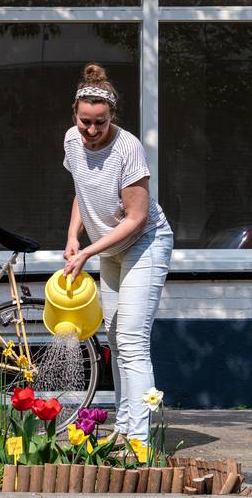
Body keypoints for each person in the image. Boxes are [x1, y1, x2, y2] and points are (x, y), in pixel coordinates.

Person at [61, 62, 173, 442]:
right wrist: (73, 237)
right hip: (108, 249)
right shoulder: (71, 141)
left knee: (132, 340)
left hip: (145, 243)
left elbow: (137, 218)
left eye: (100, 123)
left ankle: (139, 442)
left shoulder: (128, 149)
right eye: (85, 122)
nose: (92, 131)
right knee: (113, 338)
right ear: (75, 115)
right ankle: (124, 427)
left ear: (112, 117)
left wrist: (88, 251)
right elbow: (83, 190)